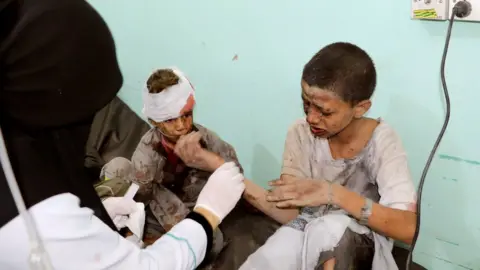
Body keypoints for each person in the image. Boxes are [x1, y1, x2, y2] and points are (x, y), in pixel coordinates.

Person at [0, 0, 245, 269]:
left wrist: (209, 164)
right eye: (169, 119)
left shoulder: (208, 141)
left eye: (186, 115)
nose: (180, 125)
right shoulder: (38, 221)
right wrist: (206, 213)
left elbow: (233, 170)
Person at [238, 42, 417, 270]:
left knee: (329, 230)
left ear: (360, 108)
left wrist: (334, 194)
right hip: (308, 228)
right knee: (273, 254)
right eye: (306, 104)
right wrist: (227, 174)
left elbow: (409, 229)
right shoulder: (301, 132)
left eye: (325, 111)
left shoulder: (381, 141)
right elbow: (292, 215)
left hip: (362, 245)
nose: (312, 118)